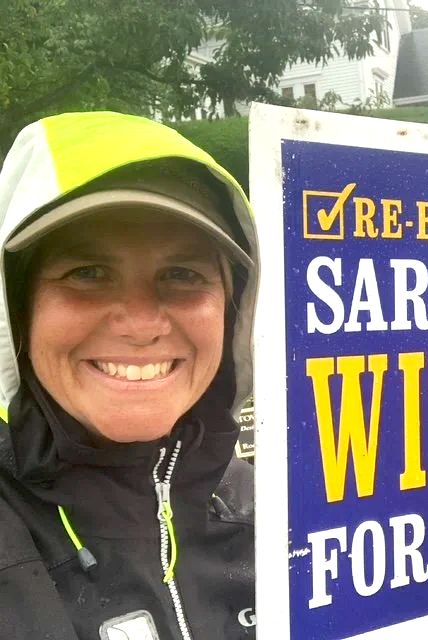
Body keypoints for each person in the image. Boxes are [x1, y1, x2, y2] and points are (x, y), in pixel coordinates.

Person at [0, 111, 258, 639]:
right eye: (87, 273)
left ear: (232, 310)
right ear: (16, 310)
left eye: (182, 275)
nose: (141, 325)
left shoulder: (283, 516)